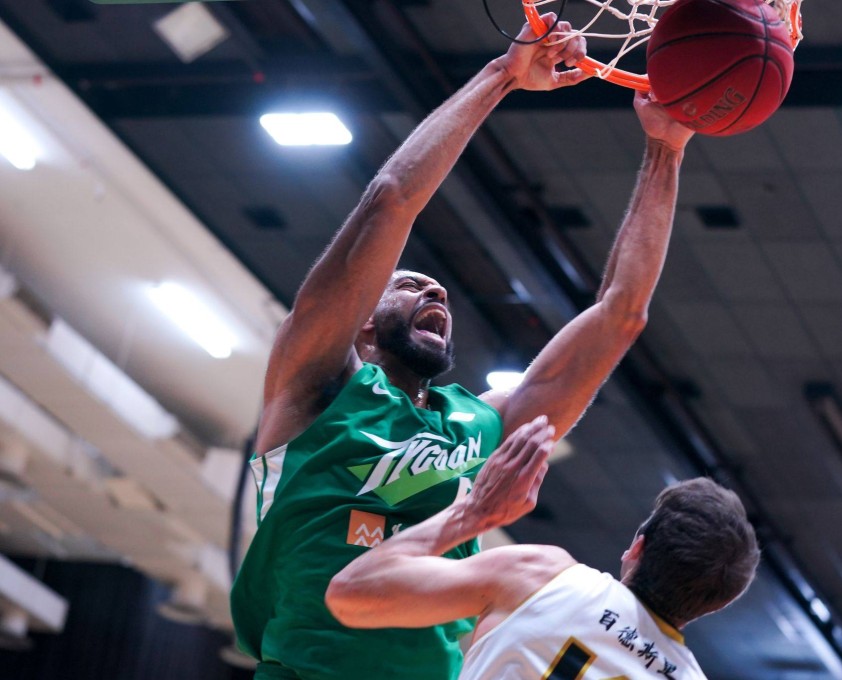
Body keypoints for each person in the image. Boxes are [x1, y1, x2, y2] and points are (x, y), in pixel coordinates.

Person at [230, 13, 697, 680]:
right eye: (410, 285)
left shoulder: (484, 425)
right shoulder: (313, 391)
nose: (436, 292)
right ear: (362, 322)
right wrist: (502, 75)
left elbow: (621, 314)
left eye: (441, 293)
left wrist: (666, 148)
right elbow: (390, 200)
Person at [327, 416, 761, 679]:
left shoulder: (543, 576)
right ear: (715, 605)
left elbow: (350, 593)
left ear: (637, 547)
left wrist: (474, 513)